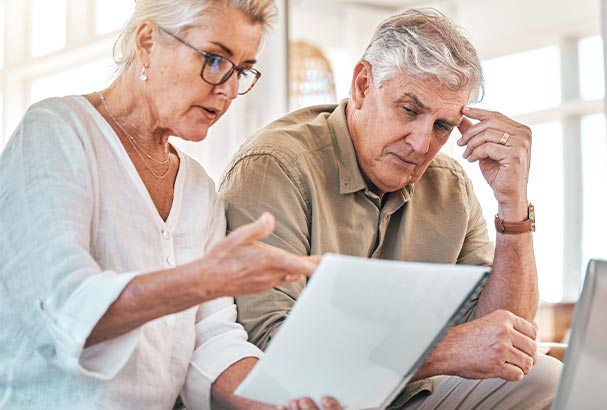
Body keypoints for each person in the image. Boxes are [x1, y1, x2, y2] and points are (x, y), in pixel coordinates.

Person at [0, 1, 341, 409]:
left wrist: (282, 401)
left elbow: (212, 339)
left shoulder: (198, 187)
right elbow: (65, 310)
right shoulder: (57, 131)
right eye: (215, 60)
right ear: (148, 43)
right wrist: (205, 279)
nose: (228, 89)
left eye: (243, 70)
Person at [220, 7, 563, 410]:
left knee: (546, 377)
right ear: (364, 85)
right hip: (312, 400)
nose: (421, 144)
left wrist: (513, 205)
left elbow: (509, 342)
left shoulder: (450, 185)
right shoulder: (275, 167)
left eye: (441, 126)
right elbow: (272, 353)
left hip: (410, 394)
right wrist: (442, 351)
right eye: (410, 110)